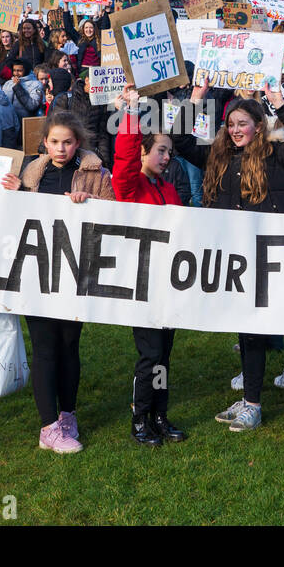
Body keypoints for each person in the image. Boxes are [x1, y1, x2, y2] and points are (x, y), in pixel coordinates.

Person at [174, 80, 284, 432]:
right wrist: (195, 98)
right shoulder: (217, 156)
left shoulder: (275, 155)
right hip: (232, 257)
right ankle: (251, 397)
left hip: (266, 254)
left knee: (256, 328)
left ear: (258, 126)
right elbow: (180, 141)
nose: (236, 131)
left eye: (243, 124)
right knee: (246, 330)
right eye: (231, 124)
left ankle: (255, 402)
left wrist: (279, 103)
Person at [0, 112, 114, 452]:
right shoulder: (32, 174)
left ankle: (67, 414)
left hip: (76, 274)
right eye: (54, 142)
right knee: (45, 347)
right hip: (36, 274)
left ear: (77, 142)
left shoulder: (96, 174)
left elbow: (114, 215)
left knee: (68, 347)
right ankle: (48, 426)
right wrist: (15, 193)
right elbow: (11, 221)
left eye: (67, 142)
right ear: (44, 143)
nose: (60, 148)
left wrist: (89, 204)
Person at [111, 86, 188, 446]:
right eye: (160, 150)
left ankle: (159, 413)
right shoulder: (131, 187)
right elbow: (124, 162)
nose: (167, 157)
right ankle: (140, 417)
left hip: (167, 285)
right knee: (151, 354)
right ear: (144, 151)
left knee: (164, 356)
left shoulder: (168, 190)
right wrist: (130, 113)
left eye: (170, 152)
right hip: (142, 285)